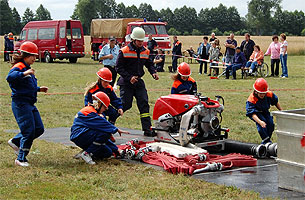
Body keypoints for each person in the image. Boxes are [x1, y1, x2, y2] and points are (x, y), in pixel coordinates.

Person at [6, 42, 49, 167]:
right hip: (21, 103)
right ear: (25, 55)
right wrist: (25, 73)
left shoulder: (27, 67)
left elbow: (26, 86)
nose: (34, 59)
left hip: (30, 103)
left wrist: (38, 89)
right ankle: (21, 159)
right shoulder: (19, 66)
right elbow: (10, 77)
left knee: (39, 129)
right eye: (32, 56)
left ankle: (15, 141)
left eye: (35, 56)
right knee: (28, 131)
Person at [116, 27, 159, 137]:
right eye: (139, 41)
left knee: (144, 104)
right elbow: (118, 68)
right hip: (126, 83)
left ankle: (147, 129)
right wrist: (129, 77)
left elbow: (149, 64)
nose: (141, 43)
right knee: (125, 104)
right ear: (133, 40)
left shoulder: (146, 51)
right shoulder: (124, 51)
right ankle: (110, 121)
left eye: (142, 41)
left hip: (139, 82)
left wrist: (153, 72)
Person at [71, 92, 129, 165]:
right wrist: (116, 129)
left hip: (83, 134)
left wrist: (116, 149)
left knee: (107, 152)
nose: (105, 110)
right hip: (79, 135)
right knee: (105, 133)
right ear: (99, 104)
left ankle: (85, 152)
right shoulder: (89, 112)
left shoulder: (93, 112)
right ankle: (87, 153)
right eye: (104, 107)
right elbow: (104, 126)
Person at [246, 78, 282, 144]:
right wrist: (260, 122)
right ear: (256, 91)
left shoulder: (269, 94)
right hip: (256, 113)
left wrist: (281, 111)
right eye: (260, 93)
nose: (262, 95)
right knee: (262, 125)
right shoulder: (251, 99)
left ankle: (267, 140)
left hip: (265, 111)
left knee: (271, 124)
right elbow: (252, 114)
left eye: (264, 93)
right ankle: (266, 141)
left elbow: (275, 102)